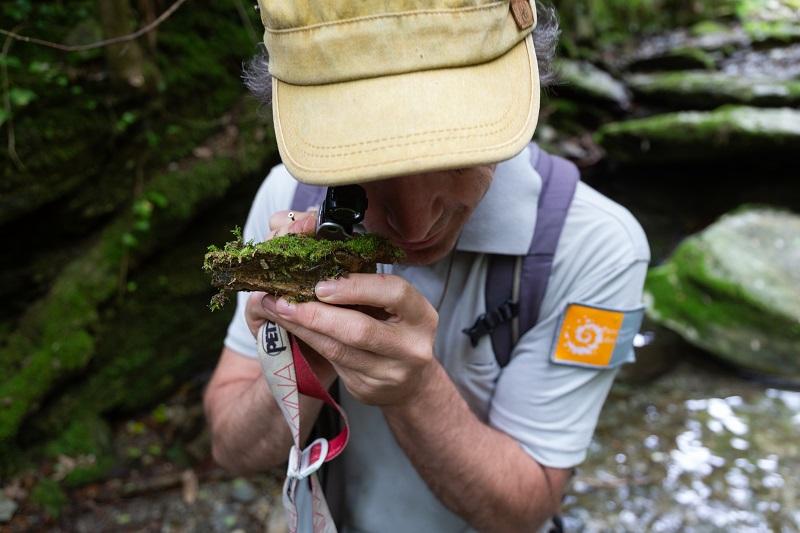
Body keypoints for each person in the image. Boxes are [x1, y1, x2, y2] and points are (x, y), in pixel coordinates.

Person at [204, 1, 650, 531]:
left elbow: (528, 508)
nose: (415, 226)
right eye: (364, 167)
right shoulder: (291, 199)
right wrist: (302, 365)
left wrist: (413, 390)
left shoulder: (595, 247)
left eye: (453, 156)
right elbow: (229, 446)